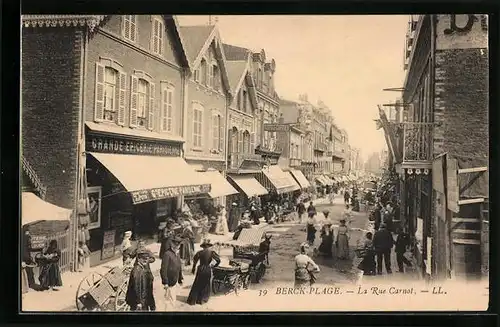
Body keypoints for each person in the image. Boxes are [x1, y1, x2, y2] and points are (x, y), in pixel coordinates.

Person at [187, 239, 221, 305]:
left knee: (197, 284)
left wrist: (193, 269)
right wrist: (214, 266)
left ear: (203, 247)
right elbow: (218, 260)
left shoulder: (199, 252)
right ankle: (202, 300)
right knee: (205, 284)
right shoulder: (211, 253)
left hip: (200, 269)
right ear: (208, 246)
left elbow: (195, 261)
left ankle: (193, 300)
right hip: (207, 269)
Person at [160, 236, 183, 311]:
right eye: (174, 244)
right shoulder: (167, 254)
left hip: (175, 280)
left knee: (173, 299)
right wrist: (165, 282)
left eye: (178, 244)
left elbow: (179, 267)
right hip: (169, 281)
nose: (176, 246)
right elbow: (163, 269)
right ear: (171, 244)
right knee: (169, 301)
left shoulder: (177, 254)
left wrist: (180, 279)